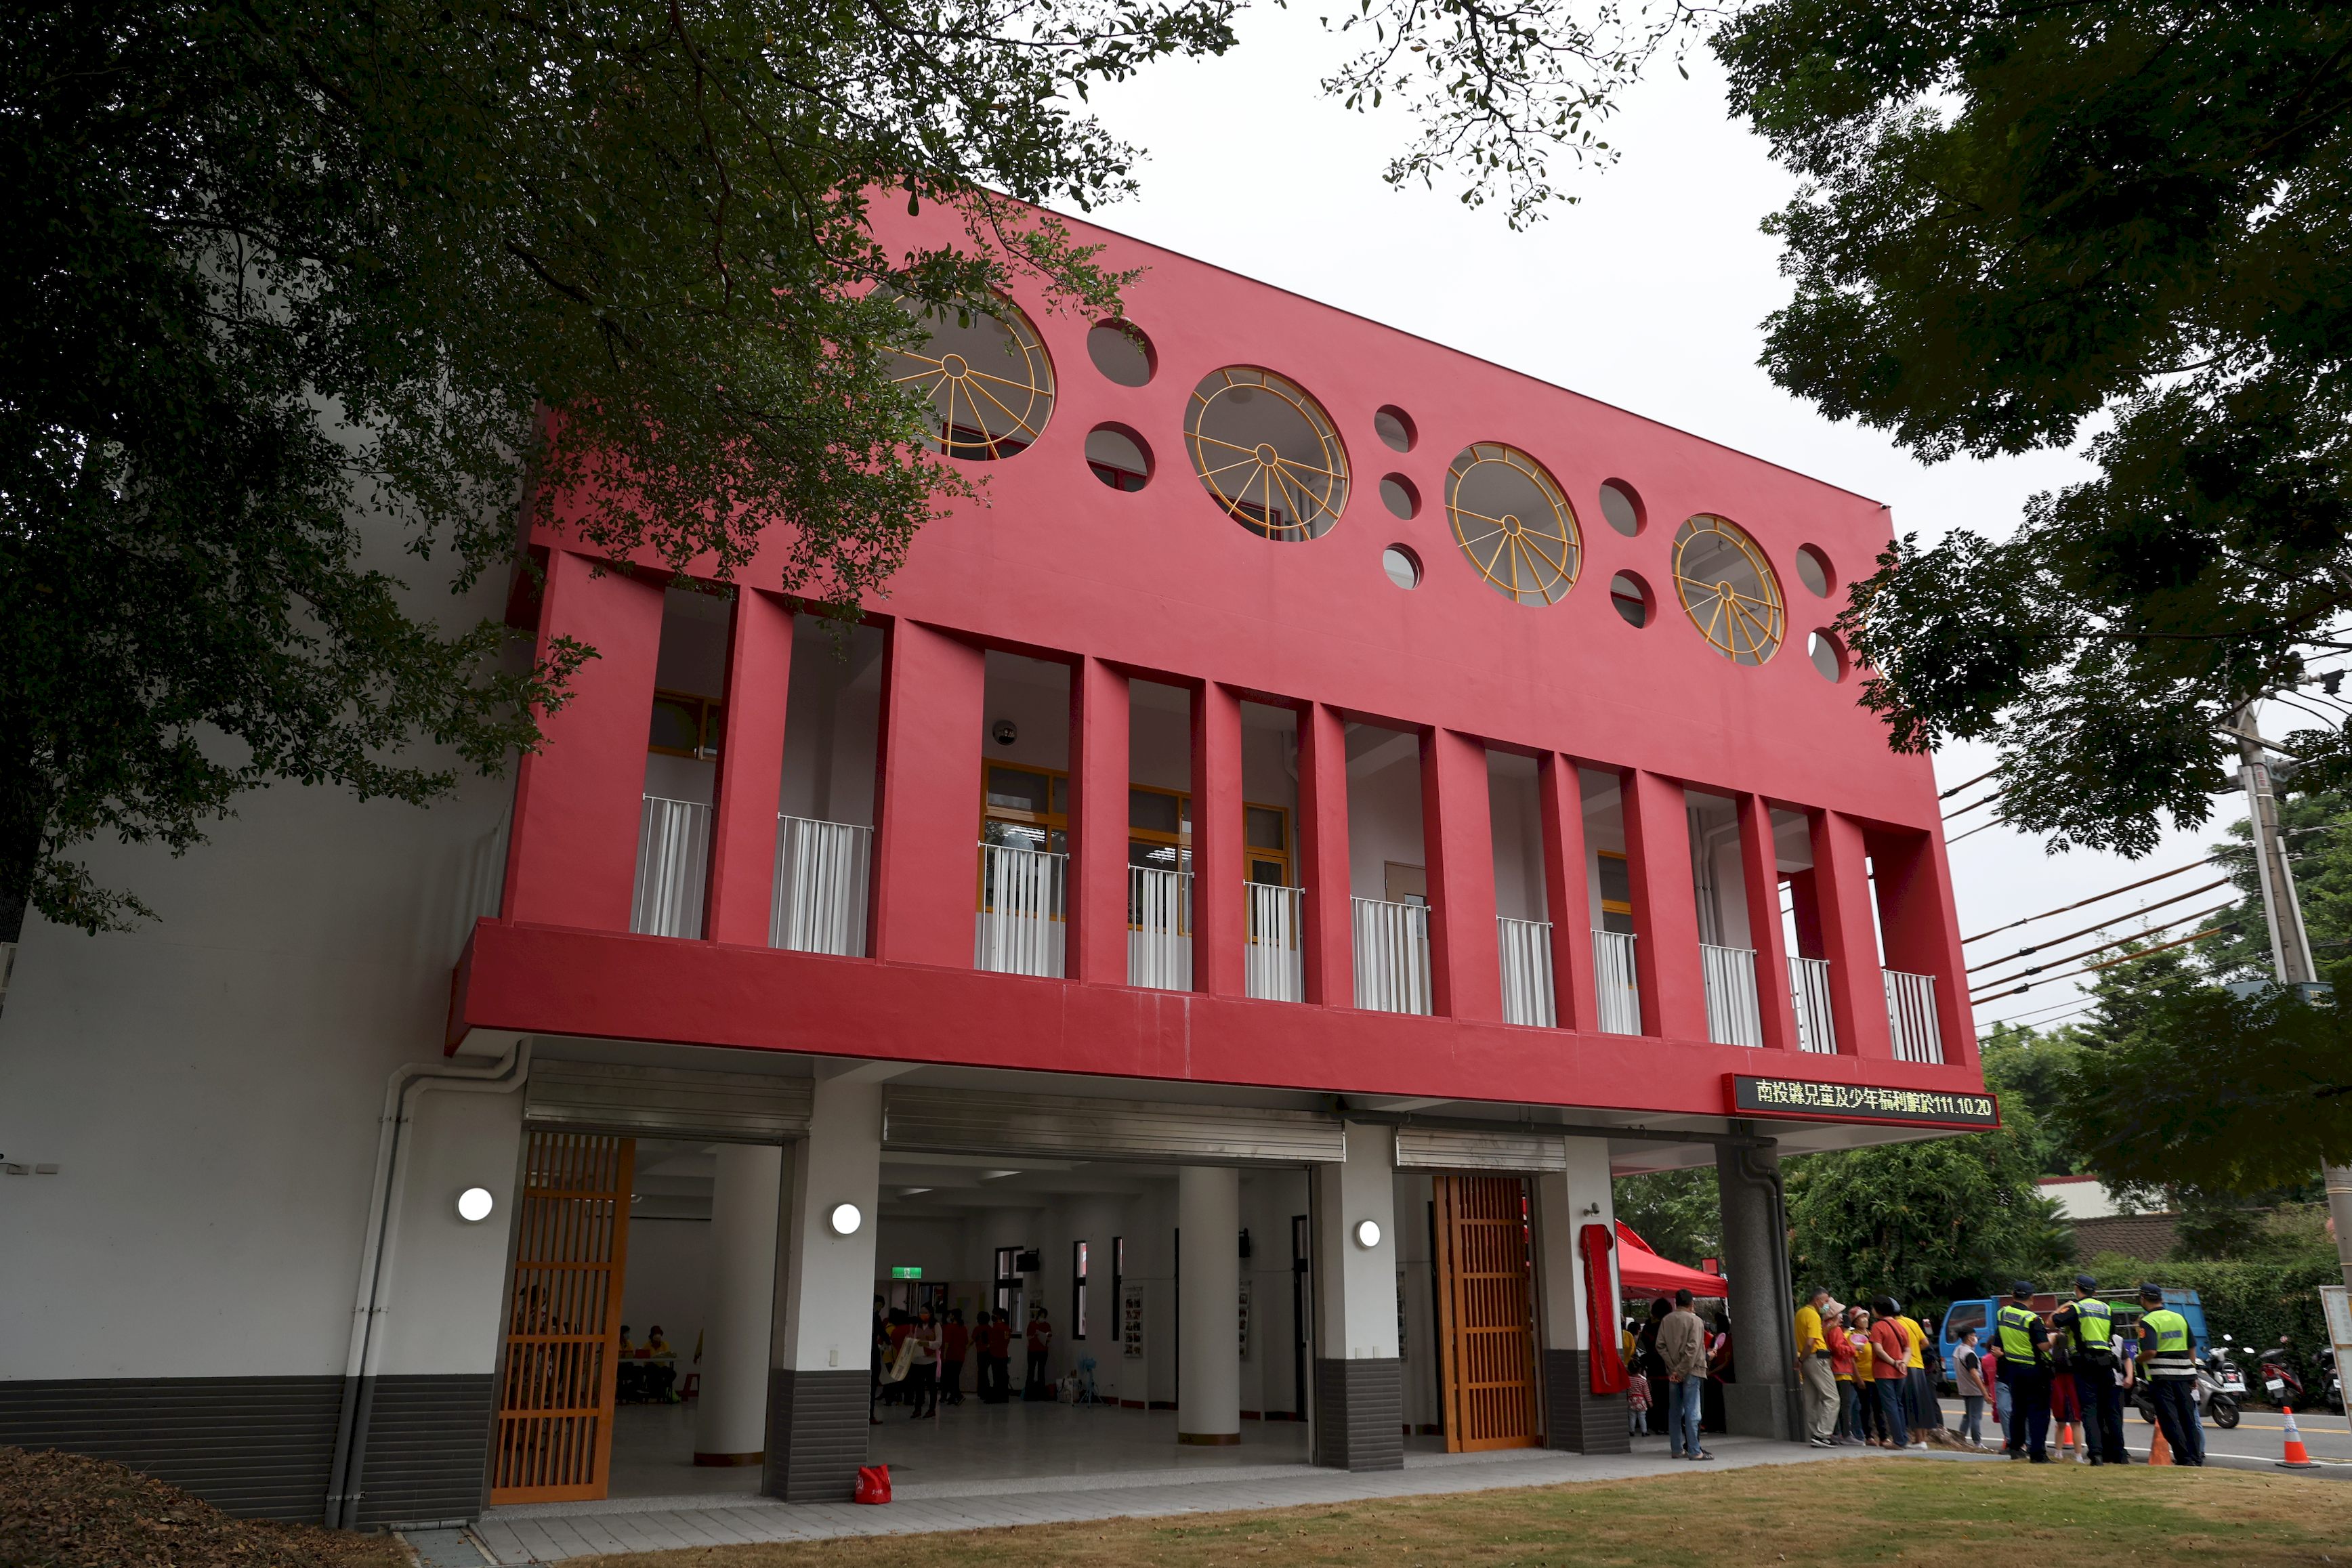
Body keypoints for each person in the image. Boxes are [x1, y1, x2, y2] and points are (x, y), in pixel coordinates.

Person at [2137, 1282, 2206, 1466]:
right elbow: (2192, 1346)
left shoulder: (2149, 1321)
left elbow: (2150, 1351)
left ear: (2143, 1298)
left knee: (2169, 1420)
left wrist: (2138, 1359)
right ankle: (2196, 1457)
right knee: (2188, 1418)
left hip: (2162, 1378)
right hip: (2184, 1377)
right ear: (2161, 1298)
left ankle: (2184, 1458)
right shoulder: (2179, 1318)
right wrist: (2192, 1372)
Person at [1995, 1280, 2053, 1462]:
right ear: (2032, 1298)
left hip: (2012, 1369)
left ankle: (2015, 1448)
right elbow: (2043, 1347)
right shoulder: (2033, 1319)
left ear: (2013, 1295)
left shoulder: (2002, 1313)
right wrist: (2054, 1338)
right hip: (2033, 1370)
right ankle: (2037, 1453)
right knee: (2038, 1412)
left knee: (2018, 1410)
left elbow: (2000, 1339)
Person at [1656, 1288, 1713, 1460]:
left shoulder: (1666, 1320)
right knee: (1692, 1411)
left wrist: (1674, 1369)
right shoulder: (1695, 1321)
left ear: (1676, 1302)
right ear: (1691, 1303)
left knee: (1675, 1411)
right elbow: (1694, 1348)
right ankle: (1695, 1450)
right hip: (1692, 1370)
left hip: (1673, 1372)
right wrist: (1681, 1370)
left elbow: (1660, 1346)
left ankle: (1676, 1449)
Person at [1795, 1286, 1840, 1448]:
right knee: (1832, 1398)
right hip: (1816, 1358)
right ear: (1817, 1300)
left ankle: (1816, 1434)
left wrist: (1801, 1360)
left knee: (1812, 1399)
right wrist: (1804, 1357)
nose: (1828, 1304)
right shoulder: (1813, 1315)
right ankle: (1822, 1434)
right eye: (1826, 1301)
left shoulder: (1801, 1313)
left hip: (1807, 1360)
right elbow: (1810, 1341)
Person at [1868, 1297, 1912, 1449]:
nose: (1872, 1311)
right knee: (1898, 1404)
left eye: (1874, 1308)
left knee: (1890, 1405)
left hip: (1884, 1371)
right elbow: (1907, 1349)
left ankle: (1899, 1441)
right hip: (1901, 1371)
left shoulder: (1878, 1326)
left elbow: (1878, 1350)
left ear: (1879, 1310)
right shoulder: (1900, 1326)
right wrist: (1902, 1363)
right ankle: (1903, 1438)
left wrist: (1893, 1362)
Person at [1828, 1300, 1861, 1444]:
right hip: (1841, 1370)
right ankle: (1844, 1434)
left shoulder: (1831, 1329)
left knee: (1840, 1403)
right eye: (1839, 1313)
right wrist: (1854, 1349)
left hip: (1839, 1370)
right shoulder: (1835, 1330)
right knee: (1844, 1403)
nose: (1841, 1316)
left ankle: (1839, 1433)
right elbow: (1839, 1349)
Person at [1953, 1326, 1988, 1447]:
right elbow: (1974, 1374)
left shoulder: (1957, 1350)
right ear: (1969, 1337)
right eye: (1974, 1336)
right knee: (1975, 1417)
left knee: (1967, 1416)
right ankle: (1977, 1443)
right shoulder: (1970, 1354)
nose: (1976, 1338)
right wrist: (1984, 1392)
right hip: (1974, 1389)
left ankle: (1960, 1439)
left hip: (1964, 1389)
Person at [905, 1307, 941, 1418]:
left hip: (930, 1360)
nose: (923, 1314)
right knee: (918, 1386)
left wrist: (926, 1344)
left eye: (925, 1312)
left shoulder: (936, 1326)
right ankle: (918, 1409)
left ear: (930, 1313)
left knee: (931, 1386)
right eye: (921, 1312)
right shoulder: (918, 1326)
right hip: (918, 1360)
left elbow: (939, 1343)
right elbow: (916, 1340)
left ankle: (932, 1409)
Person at [1024, 1307, 1055, 1400]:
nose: (1043, 1319)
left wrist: (1045, 1338)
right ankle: (1028, 1394)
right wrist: (1035, 1336)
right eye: (1041, 1316)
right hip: (1032, 1351)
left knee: (1041, 1372)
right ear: (1038, 1316)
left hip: (1043, 1352)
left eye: (1044, 1317)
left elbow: (1049, 1338)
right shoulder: (1032, 1325)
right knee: (1031, 1372)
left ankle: (1042, 1394)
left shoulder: (1047, 1325)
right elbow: (1028, 1337)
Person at [940, 1309, 969, 1407]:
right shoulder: (964, 1328)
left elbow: (947, 1343)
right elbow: (966, 1343)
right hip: (960, 1356)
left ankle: (959, 1395)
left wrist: (944, 1355)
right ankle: (953, 1397)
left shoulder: (949, 1327)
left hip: (951, 1356)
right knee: (955, 1377)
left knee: (950, 1378)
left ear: (953, 1316)